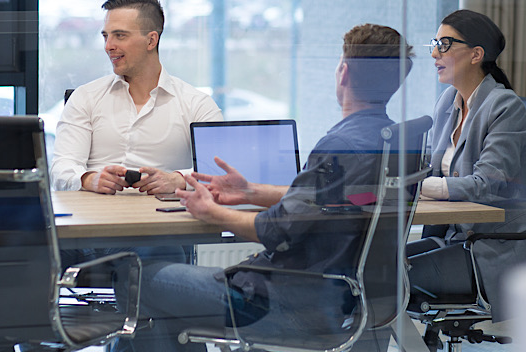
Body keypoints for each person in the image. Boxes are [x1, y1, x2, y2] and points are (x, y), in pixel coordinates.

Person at [126, 23, 414, 352]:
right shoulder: (390, 140)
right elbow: (334, 201)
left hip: (282, 302)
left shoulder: (340, 144)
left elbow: (274, 231)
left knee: (134, 278)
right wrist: (251, 192)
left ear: (343, 72)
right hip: (340, 299)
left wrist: (212, 211)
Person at [406, 9, 526, 325]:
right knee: (376, 269)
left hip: (498, 251)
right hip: (456, 240)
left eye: (444, 44)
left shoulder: (506, 107)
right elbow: (432, 169)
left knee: (384, 282)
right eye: (435, 43)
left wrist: (418, 187)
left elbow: (487, 184)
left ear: (476, 54)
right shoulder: (447, 102)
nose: (433, 53)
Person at [50, 0, 223, 194]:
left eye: (120, 35)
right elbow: (61, 168)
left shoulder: (197, 104)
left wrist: (178, 180)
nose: (108, 46)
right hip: (95, 217)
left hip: (168, 219)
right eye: (106, 36)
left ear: (151, 41)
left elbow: (220, 170)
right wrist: (88, 179)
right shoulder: (85, 97)